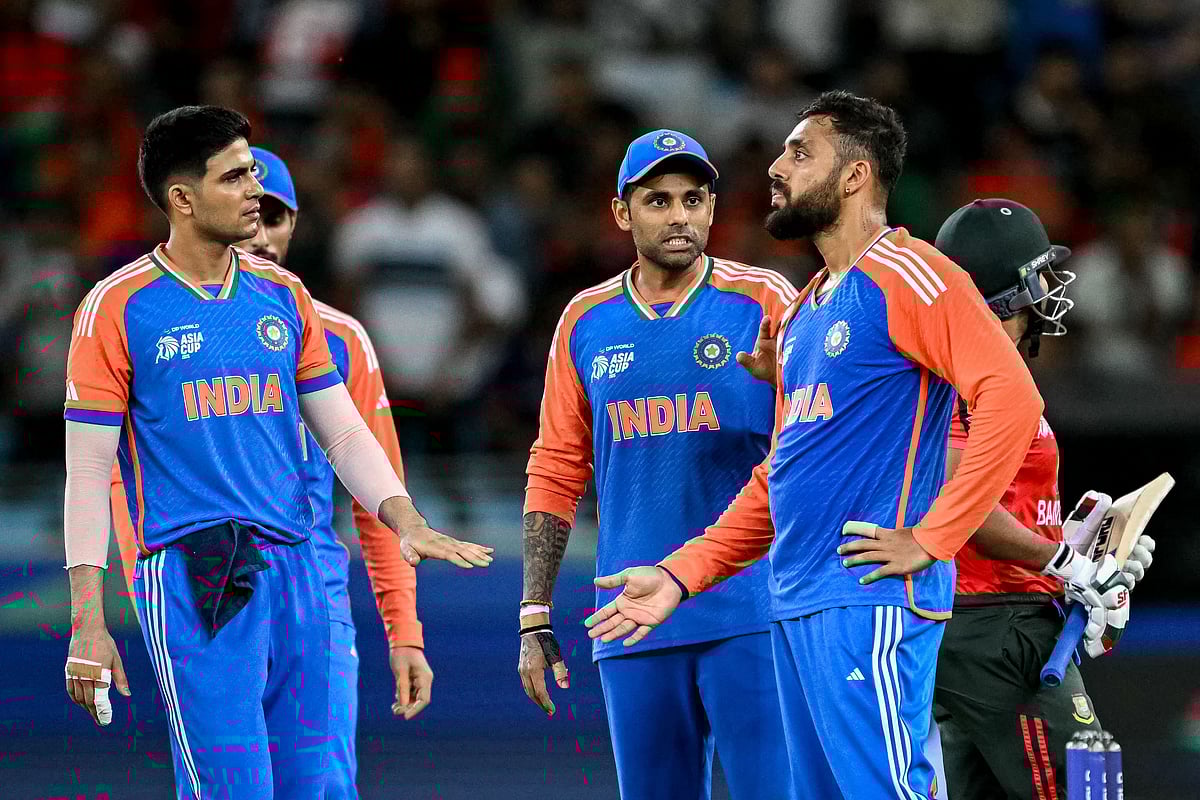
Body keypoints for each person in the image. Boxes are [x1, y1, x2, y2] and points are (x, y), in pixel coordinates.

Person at [583, 91, 1043, 799]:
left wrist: (935, 535)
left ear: (856, 176)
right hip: (795, 605)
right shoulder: (804, 309)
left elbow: (1013, 399)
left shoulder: (913, 275)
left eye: (800, 153)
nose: (776, 167)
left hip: (869, 602)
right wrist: (679, 575)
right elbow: (781, 479)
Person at [62, 106, 492, 799]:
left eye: (255, 176)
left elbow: (345, 434)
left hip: (299, 570)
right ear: (182, 198)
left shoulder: (285, 295)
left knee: (317, 788)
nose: (254, 195)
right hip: (197, 572)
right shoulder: (116, 307)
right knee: (235, 790)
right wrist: (89, 615)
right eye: (235, 178)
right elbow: (87, 473)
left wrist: (406, 520)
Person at [520, 129, 798, 799]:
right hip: (630, 617)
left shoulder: (764, 302)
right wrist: (534, 614)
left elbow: (813, 447)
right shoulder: (586, 319)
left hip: (752, 610)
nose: (679, 215)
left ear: (712, 207)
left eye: (694, 199)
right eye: (658, 200)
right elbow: (556, 467)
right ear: (623, 212)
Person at [926, 198, 1156, 800]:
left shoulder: (991, 371)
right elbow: (961, 500)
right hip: (992, 622)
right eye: (1037, 276)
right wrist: (1062, 563)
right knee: (1088, 787)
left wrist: (1090, 546)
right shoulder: (963, 376)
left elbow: (1001, 498)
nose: (1048, 291)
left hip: (994, 615)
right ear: (1003, 292)